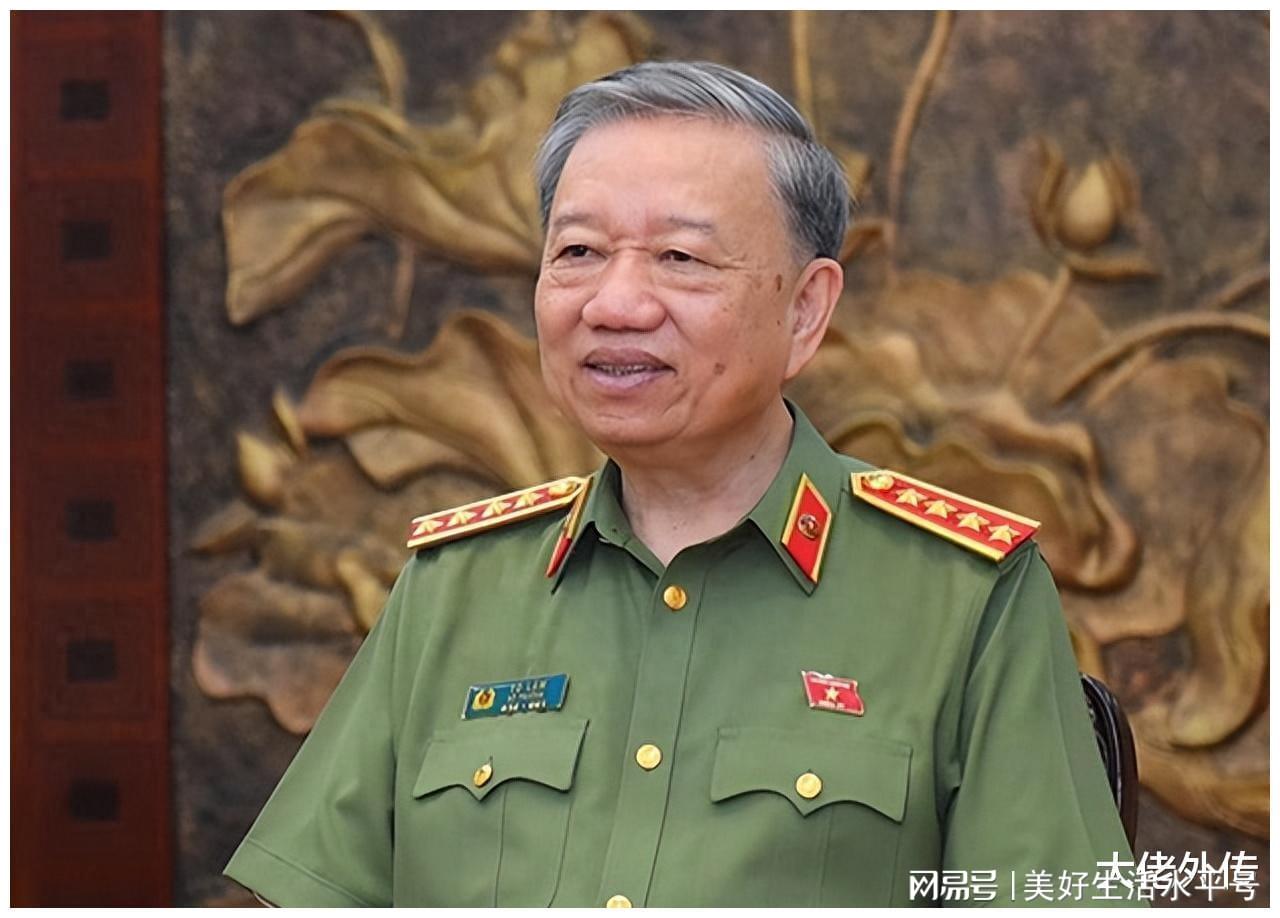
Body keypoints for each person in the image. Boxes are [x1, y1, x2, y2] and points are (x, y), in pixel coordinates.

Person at [224, 60, 1137, 907]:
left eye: (681, 259)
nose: (615, 304)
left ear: (806, 310)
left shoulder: (963, 597)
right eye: (578, 253)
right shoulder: (454, 587)